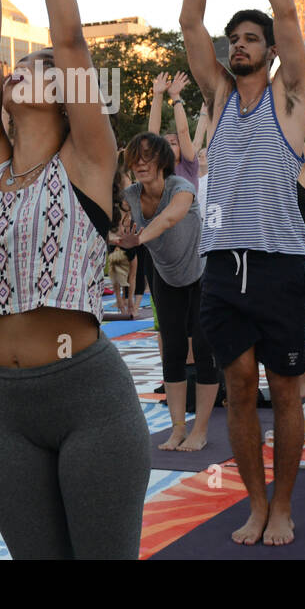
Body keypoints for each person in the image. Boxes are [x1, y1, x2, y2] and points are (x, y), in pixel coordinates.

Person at [0, 0, 149, 559]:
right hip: (3, 406)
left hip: (88, 401)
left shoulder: (88, 163)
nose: (19, 71)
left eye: (37, 69)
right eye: (19, 69)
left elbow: (70, 42)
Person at [180, 0, 305, 547]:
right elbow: (187, 25)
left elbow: (288, 11)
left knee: (285, 394)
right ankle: (254, 504)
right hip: (220, 267)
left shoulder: (290, 98)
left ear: (268, 50)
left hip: (281, 265)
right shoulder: (217, 100)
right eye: (233, 40)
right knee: (237, 390)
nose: (238, 46)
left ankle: (283, 505)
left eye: (249, 38)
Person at [117, 133, 217, 451]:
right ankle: (177, 429)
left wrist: (140, 238)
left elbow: (171, 217)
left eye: (148, 157)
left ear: (162, 160)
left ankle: (199, 429)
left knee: (203, 350)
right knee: (172, 352)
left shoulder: (182, 188)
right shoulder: (130, 195)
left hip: (202, 273)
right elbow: (118, 223)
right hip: (165, 277)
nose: (141, 163)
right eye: (136, 158)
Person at [148, 72, 201, 187]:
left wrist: (176, 97)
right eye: (165, 143)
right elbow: (152, 134)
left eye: (172, 143)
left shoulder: (189, 166)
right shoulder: (158, 167)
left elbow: (183, 132)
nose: (167, 146)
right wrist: (157, 95)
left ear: (181, 148)